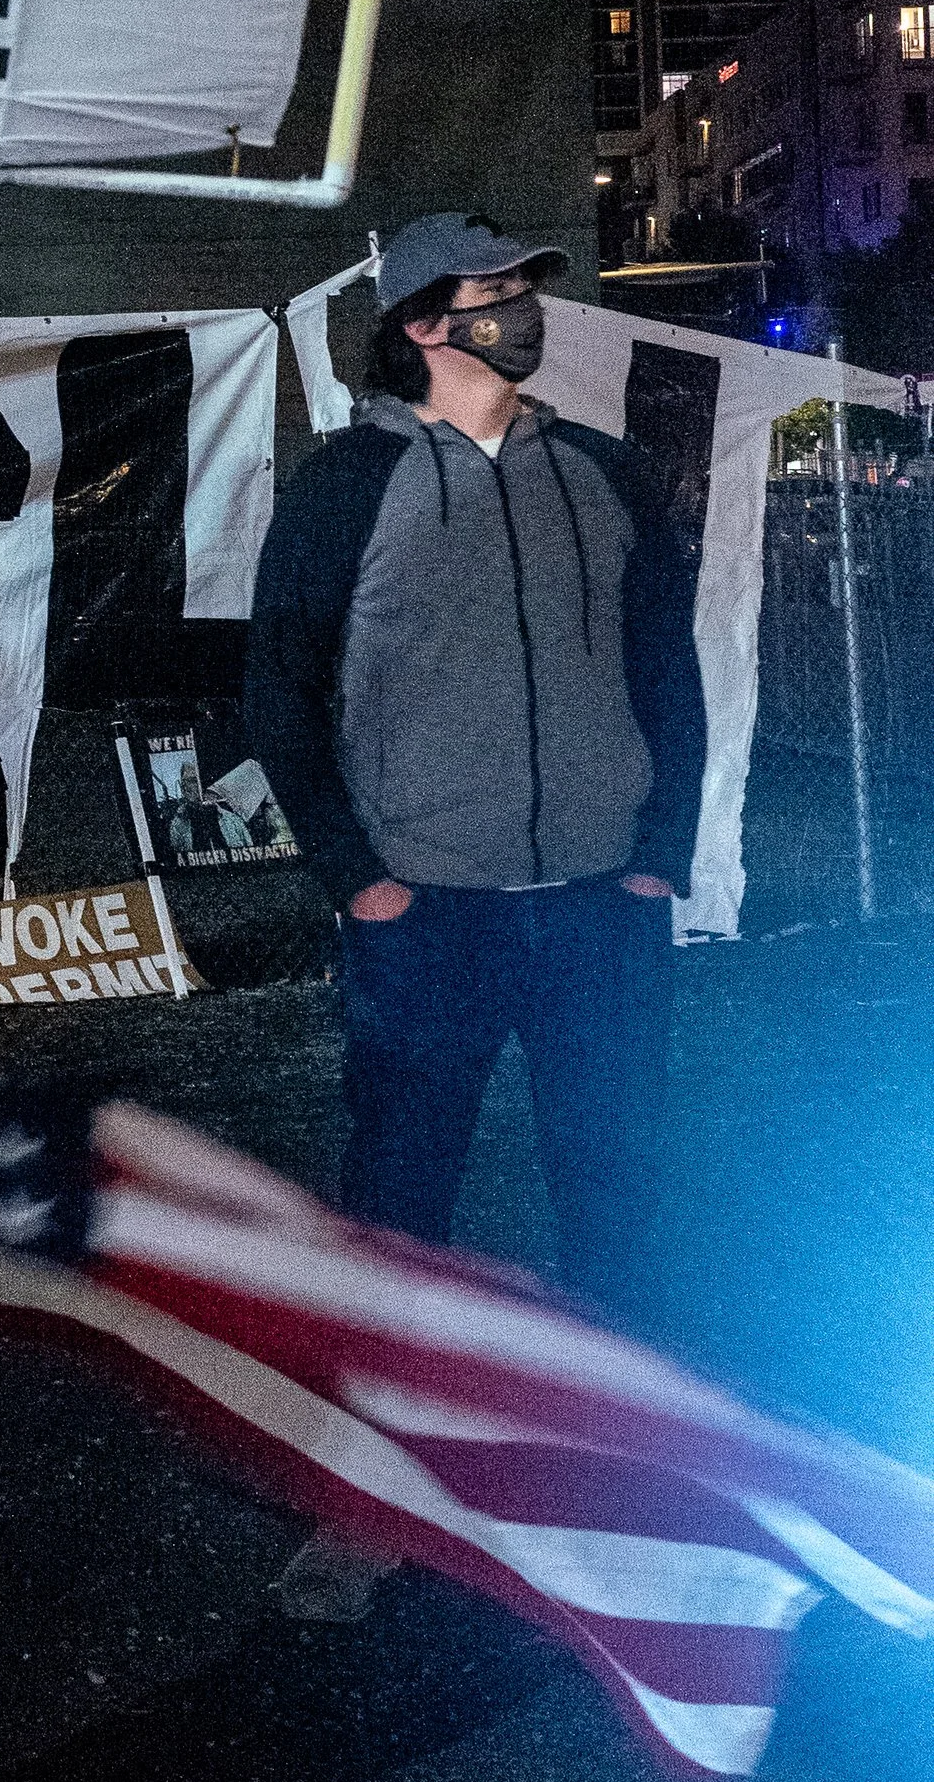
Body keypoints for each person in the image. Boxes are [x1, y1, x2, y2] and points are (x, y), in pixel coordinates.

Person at [244, 212, 706, 1617]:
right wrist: (359, 880)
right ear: (424, 325)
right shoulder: (342, 490)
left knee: (616, 1195)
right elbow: (277, 696)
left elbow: (665, 674)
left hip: (594, 910)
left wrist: (655, 851)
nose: (521, 309)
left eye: (522, 291)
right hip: (423, 918)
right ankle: (368, 1507)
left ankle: (625, 1488)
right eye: (493, 293)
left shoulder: (606, 474)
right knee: (399, 1216)